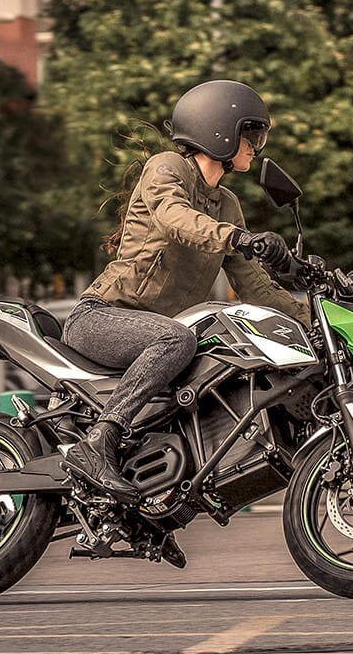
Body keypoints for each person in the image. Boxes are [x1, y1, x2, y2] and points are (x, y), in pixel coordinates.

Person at [61, 80, 307, 502]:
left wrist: (310, 323)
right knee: (178, 338)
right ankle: (98, 442)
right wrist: (240, 239)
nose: (256, 146)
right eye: (251, 134)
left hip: (154, 331)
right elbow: (176, 218)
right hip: (100, 317)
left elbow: (254, 285)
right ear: (218, 130)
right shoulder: (166, 168)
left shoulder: (227, 203)